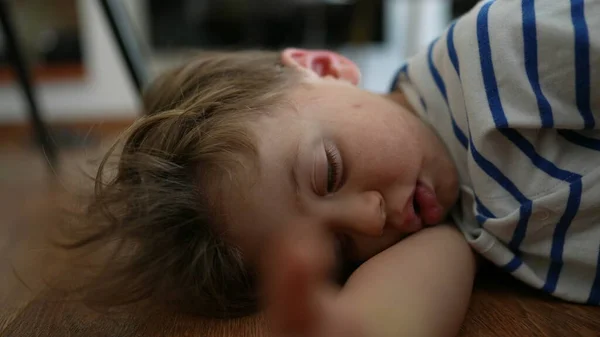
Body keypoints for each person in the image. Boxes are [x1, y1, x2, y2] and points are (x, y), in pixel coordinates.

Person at [63, 0, 599, 336]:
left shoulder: (498, 55)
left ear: (323, 68)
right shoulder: (447, 223)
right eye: (339, 250)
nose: (368, 221)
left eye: (329, 172)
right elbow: (398, 305)